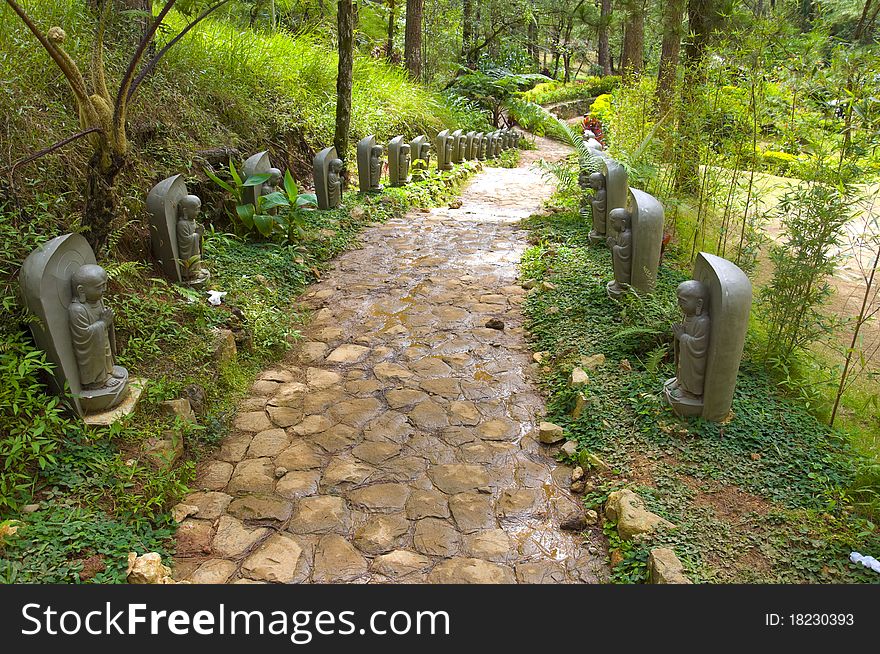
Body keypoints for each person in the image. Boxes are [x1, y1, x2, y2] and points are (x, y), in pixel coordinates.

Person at [68, 264, 124, 389]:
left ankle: (109, 370)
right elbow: (83, 335)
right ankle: (99, 379)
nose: (104, 289)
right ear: (81, 290)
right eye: (100, 287)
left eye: (105, 285)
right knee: (97, 355)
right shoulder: (77, 309)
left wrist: (106, 321)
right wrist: (103, 323)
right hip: (90, 349)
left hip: (101, 337)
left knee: (106, 351)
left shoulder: (98, 300)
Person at [668, 280, 711, 399]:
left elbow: (699, 346)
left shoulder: (703, 322)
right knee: (682, 365)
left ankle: (689, 392)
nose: (679, 304)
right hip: (685, 355)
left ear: (699, 304)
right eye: (678, 300)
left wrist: (682, 336)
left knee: (690, 370)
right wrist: (680, 334)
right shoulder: (688, 315)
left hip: (694, 361)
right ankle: (680, 381)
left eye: (683, 301)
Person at [176, 194, 209, 283]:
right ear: (185, 211)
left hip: (194, 249)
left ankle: (197, 271)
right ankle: (190, 274)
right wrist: (197, 234)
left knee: (197, 256)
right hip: (187, 253)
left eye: (199, 209)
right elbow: (185, 241)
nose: (198, 211)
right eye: (195, 209)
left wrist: (199, 233)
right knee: (191, 259)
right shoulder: (182, 224)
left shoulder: (192, 221)